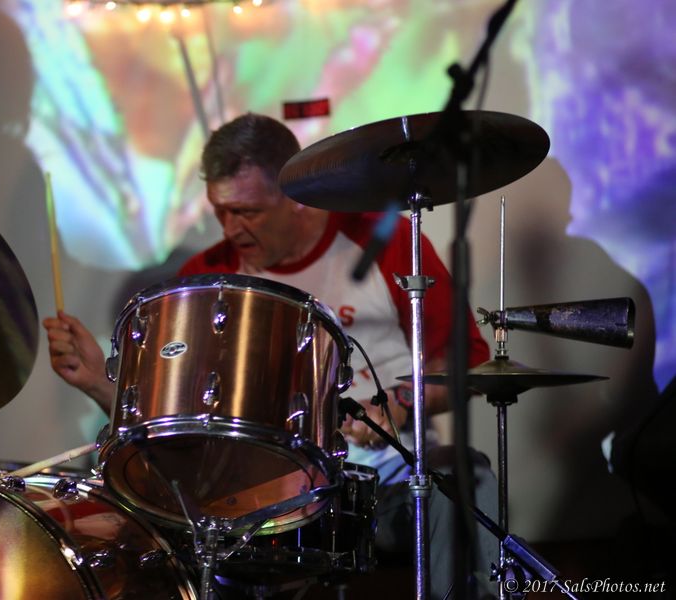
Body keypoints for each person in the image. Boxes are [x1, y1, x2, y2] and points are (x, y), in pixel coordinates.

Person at [45, 113, 498, 599]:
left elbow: (468, 364)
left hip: (380, 479)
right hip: (253, 501)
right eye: (220, 212)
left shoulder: (382, 244)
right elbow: (171, 436)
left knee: (463, 477)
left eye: (248, 212)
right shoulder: (204, 279)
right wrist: (98, 383)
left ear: (295, 197)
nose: (231, 228)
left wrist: (401, 403)